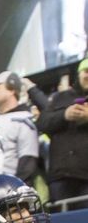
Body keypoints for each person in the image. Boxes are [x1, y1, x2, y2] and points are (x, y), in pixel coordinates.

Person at [35, 57, 88, 206]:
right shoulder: (59, 98)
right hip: (61, 176)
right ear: (78, 74)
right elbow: (42, 123)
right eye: (86, 71)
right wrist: (65, 115)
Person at [0, 71, 40, 184]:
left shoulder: (24, 119)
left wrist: (15, 188)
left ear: (12, 90)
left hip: (7, 187)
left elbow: (27, 161)